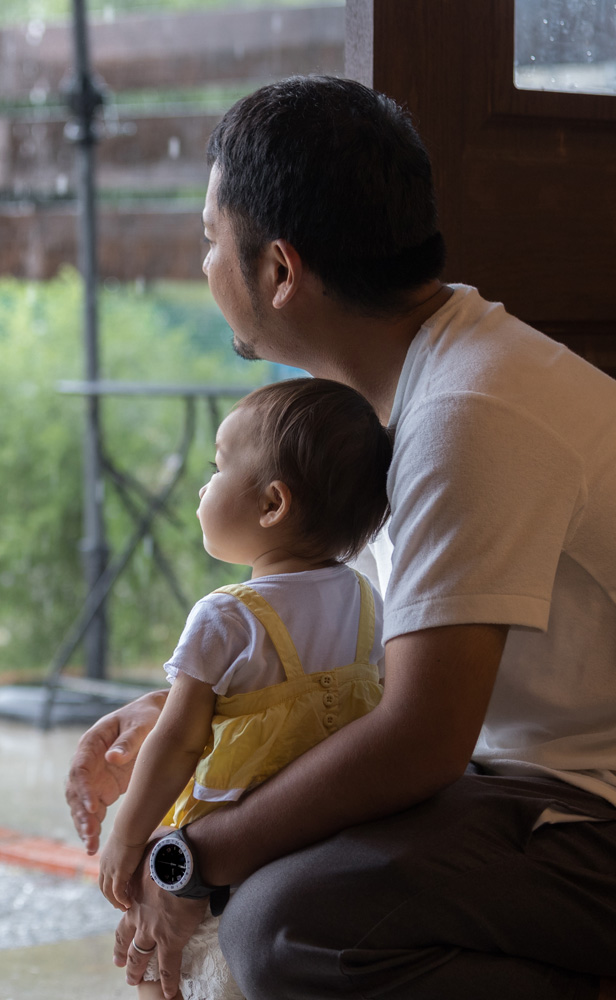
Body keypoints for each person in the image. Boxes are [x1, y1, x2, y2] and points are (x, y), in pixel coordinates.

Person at [66, 76, 616, 1000]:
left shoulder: (467, 410)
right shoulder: (396, 396)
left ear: (279, 271)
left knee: (286, 924)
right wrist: (175, 709)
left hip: (586, 805)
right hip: (520, 780)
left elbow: (419, 739)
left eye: (210, 240)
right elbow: (337, 644)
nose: (204, 265)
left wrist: (185, 859)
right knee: (272, 866)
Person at [97, 376, 391, 1000]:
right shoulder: (367, 600)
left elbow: (177, 742)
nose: (204, 487)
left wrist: (127, 836)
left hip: (221, 844)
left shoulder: (227, 615)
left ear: (271, 505)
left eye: (217, 467)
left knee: (155, 966)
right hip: (315, 840)